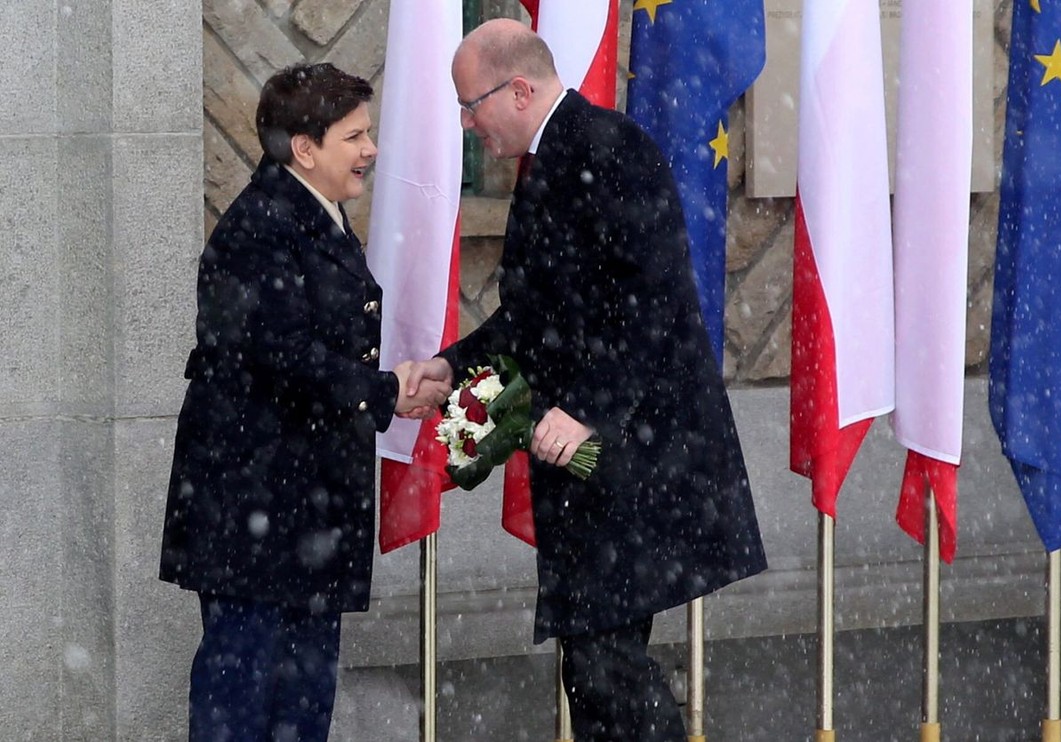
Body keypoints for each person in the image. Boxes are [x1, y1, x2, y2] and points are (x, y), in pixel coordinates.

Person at [404, 19, 768, 741]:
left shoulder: (609, 148)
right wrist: (453, 366)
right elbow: (537, 313)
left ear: (519, 89)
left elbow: (653, 297)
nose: (467, 124)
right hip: (598, 467)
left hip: (637, 459)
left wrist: (588, 412)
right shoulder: (552, 160)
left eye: (471, 105)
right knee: (595, 667)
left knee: (607, 670)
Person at [159, 63, 450, 741]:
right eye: (355, 136)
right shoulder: (259, 228)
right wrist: (383, 392)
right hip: (256, 522)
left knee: (300, 709)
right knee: (245, 709)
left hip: (298, 522)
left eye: (369, 133)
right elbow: (281, 356)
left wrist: (389, 388)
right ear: (305, 148)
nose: (371, 150)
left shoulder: (308, 213)